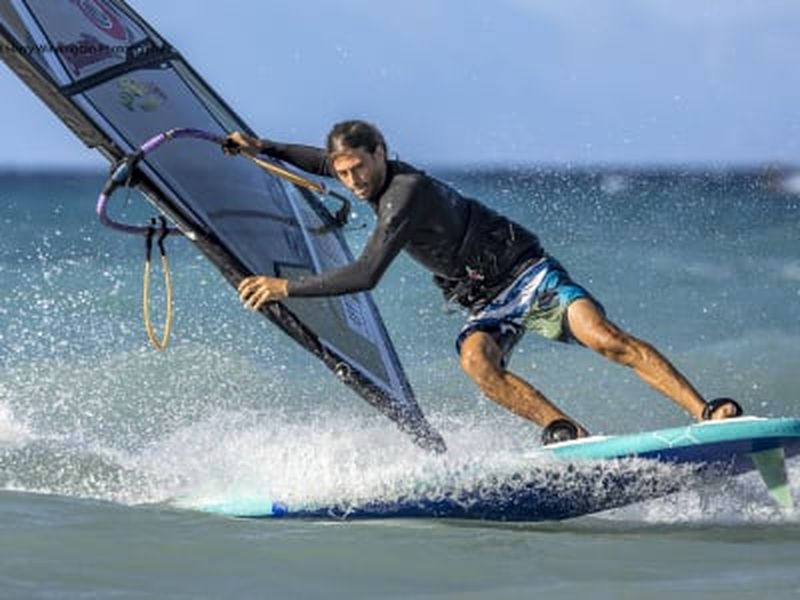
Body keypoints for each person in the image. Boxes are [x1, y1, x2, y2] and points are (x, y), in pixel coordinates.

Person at [225, 120, 742, 444]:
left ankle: (706, 411)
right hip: (482, 299)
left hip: (526, 273)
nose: (353, 182)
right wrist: (262, 146)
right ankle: (566, 431)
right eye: (343, 173)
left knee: (605, 339)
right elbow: (315, 159)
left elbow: (365, 275)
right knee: (477, 361)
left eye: (360, 168)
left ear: (381, 152)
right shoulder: (359, 171)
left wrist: (284, 288)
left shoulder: (405, 194)